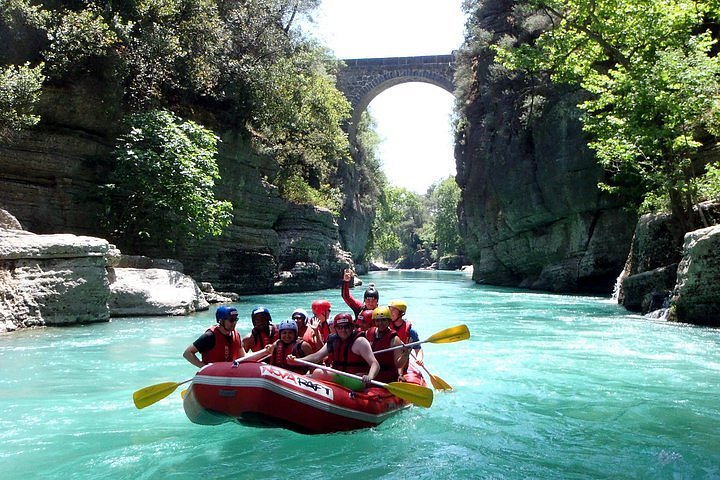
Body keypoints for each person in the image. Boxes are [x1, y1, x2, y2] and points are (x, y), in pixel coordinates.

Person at [288, 314, 379, 386]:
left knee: (318, 372)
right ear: (335, 329)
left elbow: (375, 364)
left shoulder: (360, 341)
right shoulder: (333, 340)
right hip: (339, 377)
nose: (343, 330)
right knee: (308, 376)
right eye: (340, 327)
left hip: (356, 380)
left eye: (346, 326)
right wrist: (297, 361)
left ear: (352, 327)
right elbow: (316, 356)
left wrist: (370, 376)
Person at [366, 306, 410, 383]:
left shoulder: (394, 339)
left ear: (389, 321)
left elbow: (398, 364)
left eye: (383, 320)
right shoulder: (369, 332)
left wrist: (406, 354)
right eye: (378, 320)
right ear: (374, 322)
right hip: (371, 372)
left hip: (387, 376)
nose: (380, 323)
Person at [388, 299, 424, 367]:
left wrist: (419, 358)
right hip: (387, 362)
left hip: (401, 364)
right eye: (390, 309)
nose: (390, 312)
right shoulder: (385, 326)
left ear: (401, 313)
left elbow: (418, 348)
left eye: (393, 310)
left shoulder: (411, 332)